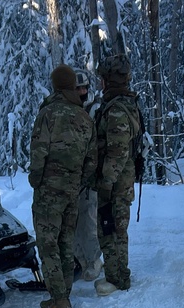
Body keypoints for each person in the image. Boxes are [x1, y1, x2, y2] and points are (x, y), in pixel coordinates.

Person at [28, 64, 96, 308]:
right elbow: (92, 159)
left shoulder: (48, 113)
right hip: (72, 191)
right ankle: (62, 295)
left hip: (49, 190)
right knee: (66, 241)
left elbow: (38, 151)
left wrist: (36, 179)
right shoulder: (84, 117)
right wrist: (77, 181)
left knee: (47, 243)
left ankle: (59, 299)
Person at [93, 52, 144, 296]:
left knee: (110, 228)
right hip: (121, 179)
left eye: (103, 78)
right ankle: (118, 274)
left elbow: (117, 152)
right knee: (115, 227)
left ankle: (117, 278)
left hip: (115, 181)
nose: (100, 83)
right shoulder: (125, 104)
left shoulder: (116, 110)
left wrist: (105, 182)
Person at [72, 70, 102, 282]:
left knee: (89, 220)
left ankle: (94, 261)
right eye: (78, 88)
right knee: (73, 221)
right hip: (73, 175)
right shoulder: (70, 111)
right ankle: (81, 262)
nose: (82, 92)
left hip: (89, 175)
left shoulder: (93, 110)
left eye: (84, 88)